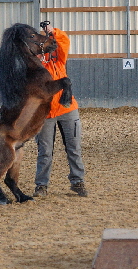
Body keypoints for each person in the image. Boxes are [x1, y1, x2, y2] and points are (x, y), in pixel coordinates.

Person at [33, 23, 87, 197]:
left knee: (74, 147)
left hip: (67, 108)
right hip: (45, 113)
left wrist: (53, 31)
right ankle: (41, 185)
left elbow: (64, 41)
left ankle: (77, 181)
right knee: (45, 151)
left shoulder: (59, 59)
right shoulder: (36, 66)